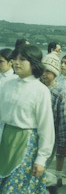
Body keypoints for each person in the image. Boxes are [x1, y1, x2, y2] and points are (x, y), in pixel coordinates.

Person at [0, 44, 54, 193]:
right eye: (15, 59)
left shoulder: (40, 90)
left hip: (25, 144)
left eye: (22, 59)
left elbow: (46, 127)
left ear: (34, 63)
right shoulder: (8, 84)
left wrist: (41, 159)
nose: (16, 62)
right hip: (5, 140)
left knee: (15, 189)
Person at [41, 53, 66, 189]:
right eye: (43, 70)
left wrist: (63, 143)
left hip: (49, 136)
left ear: (55, 73)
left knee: (42, 165)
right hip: (32, 134)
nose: (44, 74)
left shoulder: (59, 92)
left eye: (48, 71)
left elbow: (64, 120)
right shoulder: (37, 87)